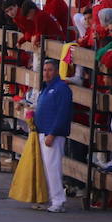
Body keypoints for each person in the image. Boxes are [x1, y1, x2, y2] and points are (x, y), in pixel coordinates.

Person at [33, 58, 73, 213]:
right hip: (43, 131)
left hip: (52, 134)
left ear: (56, 71)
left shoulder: (61, 88)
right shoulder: (46, 87)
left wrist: (53, 133)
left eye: (50, 70)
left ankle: (58, 201)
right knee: (48, 168)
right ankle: (53, 198)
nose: (46, 73)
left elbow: (63, 113)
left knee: (53, 167)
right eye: (44, 70)